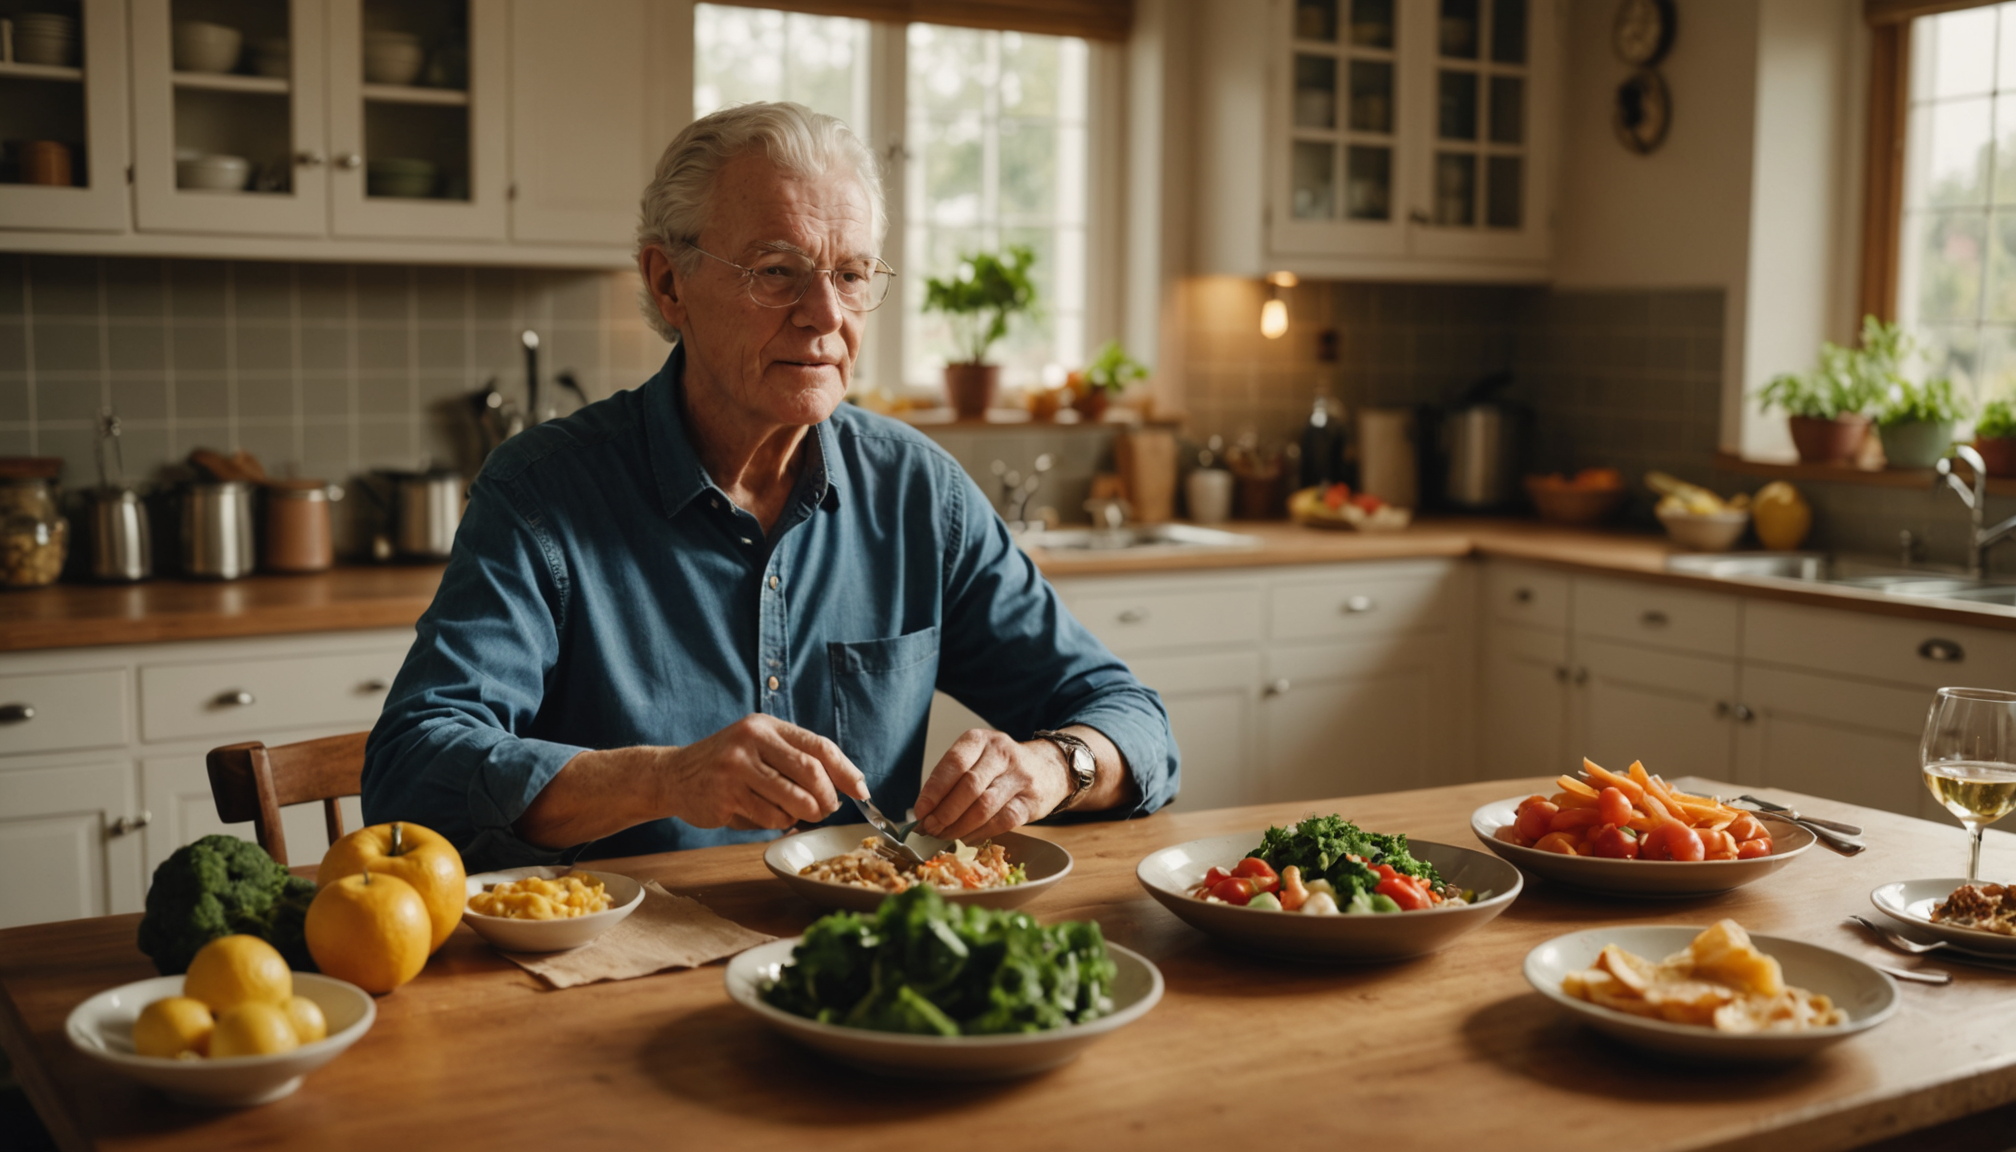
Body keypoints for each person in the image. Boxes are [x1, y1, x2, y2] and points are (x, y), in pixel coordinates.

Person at [361, 102, 1178, 870]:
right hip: (619, 974)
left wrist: (1055, 764)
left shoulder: (919, 493)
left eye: (852, 274)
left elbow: (1133, 719)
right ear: (668, 283)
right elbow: (411, 771)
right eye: (778, 271)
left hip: (862, 969)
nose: (825, 314)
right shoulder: (543, 492)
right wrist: (664, 779)